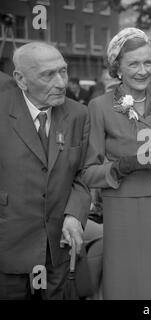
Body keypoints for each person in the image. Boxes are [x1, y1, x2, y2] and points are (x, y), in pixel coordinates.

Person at [82, 27, 151, 299]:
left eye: (147, 62)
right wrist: (124, 165)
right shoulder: (99, 106)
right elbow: (88, 173)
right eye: (134, 64)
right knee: (127, 280)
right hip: (123, 207)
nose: (142, 71)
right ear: (117, 68)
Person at [0, 42, 90, 300]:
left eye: (63, 71)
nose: (61, 82)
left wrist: (74, 214)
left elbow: (83, 174)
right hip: (8, 247)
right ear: (21, 79)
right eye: (48, 75)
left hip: (56, 250)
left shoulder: (78, 114)